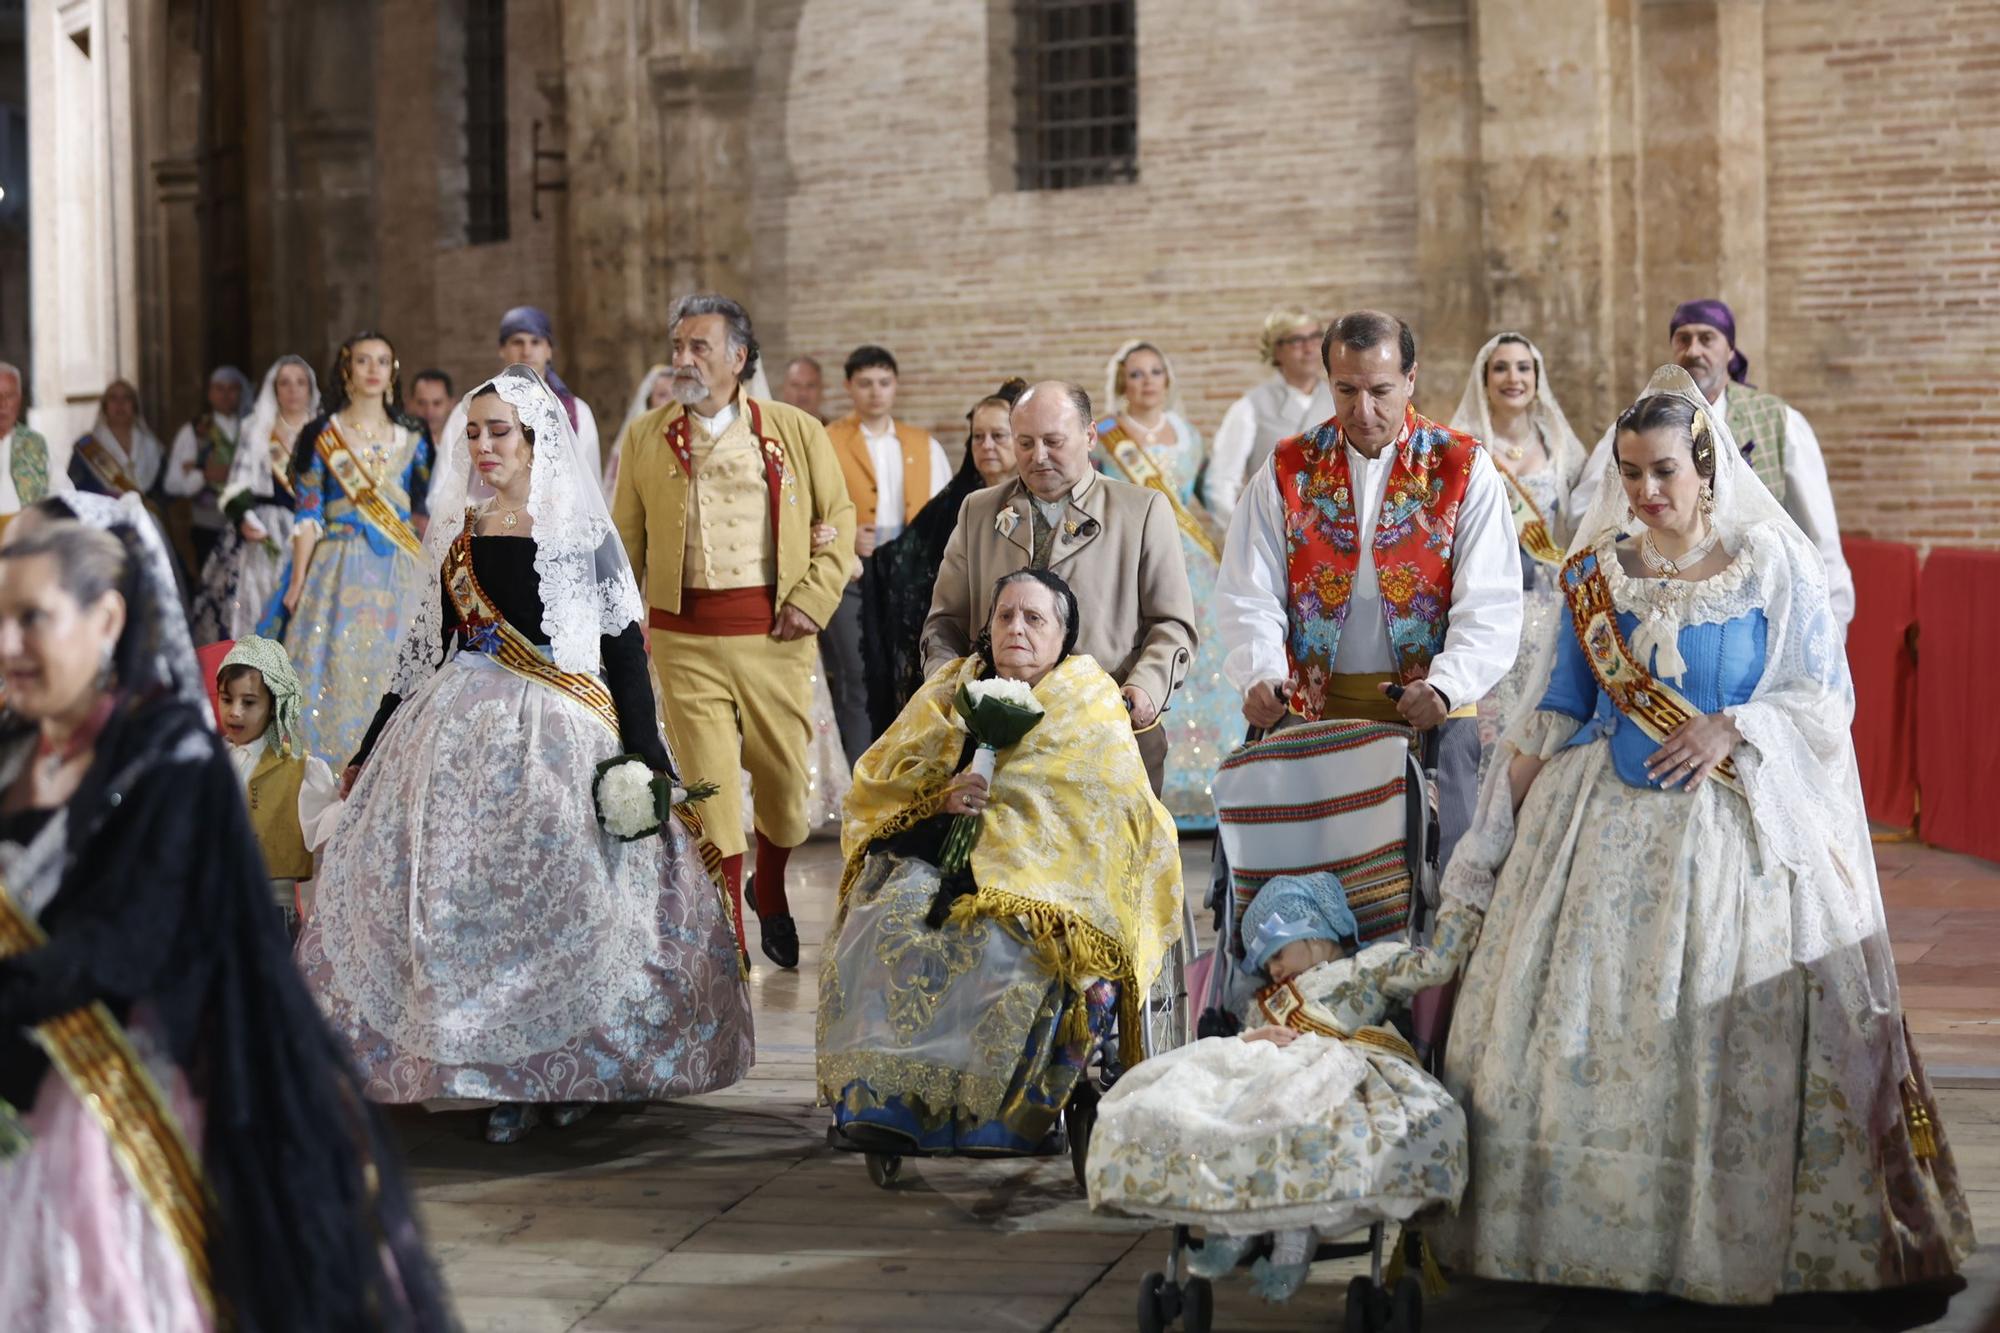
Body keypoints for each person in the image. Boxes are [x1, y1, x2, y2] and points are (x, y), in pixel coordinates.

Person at [1351, 365, 1975, 1303]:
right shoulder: (1597, 573)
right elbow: (1557, 708)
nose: (1644, 492)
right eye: (1631, 472)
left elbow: (1818, 698)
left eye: (1664, 473)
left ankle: (1732, 1241)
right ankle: (1572, 1240)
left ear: (1707, 470)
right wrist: (1492, 835)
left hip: (1736, 831)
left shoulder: (1774, 564)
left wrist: (1734, 724)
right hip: (1593, 830)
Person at [0, 492, 452, 1331]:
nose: (7, 645)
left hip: (118, 1109)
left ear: (106, 619)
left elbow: (128, 944)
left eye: (32, 618)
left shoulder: (168, 753)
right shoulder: (15, 747)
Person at [299, 365, 755, 1143]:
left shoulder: (582, 534)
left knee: (569, 901)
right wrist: (364, 752)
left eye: (498, 431)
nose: (482, 445)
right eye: (472, 432)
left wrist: (645, 758)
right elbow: (420, 659)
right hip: (454, 735)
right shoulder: (458, 533)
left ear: (536, 438)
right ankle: (493, 1076)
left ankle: (575, 1070)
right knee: (459, 908)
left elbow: (622, 652)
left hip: (560, 736)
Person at [820, 569, 1183, 1154]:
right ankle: (888, 1101)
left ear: (1065, 637)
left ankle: (1005, 1114)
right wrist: (942, 800)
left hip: (1049, 876)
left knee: (1005, 941)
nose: (1017, 628)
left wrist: (1010, 841)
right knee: (890, 914)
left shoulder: (1087, 701)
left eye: (1034, 618)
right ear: (987, 629)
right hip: (939, 852)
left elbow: (1110, 807)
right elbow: (886, 777)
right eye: (1005, 616)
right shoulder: (948, 692)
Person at [1214, 311, 1521, 867]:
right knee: (1295, 874)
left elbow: (1491, 602)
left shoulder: (1461, 468)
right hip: (1313, 706)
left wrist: (1448, 687)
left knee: (1448, 875)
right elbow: (1248, 589)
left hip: (1434, 706)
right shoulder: (1289, 467)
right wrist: (1259, 671)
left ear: (1410, 379)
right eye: (1346, 390)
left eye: (1381, 391)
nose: (1363, 411)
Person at [611, 293, 855, 971]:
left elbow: (839, 524)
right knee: (711, 787)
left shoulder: (795, 431)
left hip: (775, 634)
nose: (683, 359)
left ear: (739, 358)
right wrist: (619, 630)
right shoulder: (645, 435)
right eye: (678, 346)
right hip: (683, 637)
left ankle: (769, 885)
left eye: (700, 347)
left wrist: (812, 598)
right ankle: (730, 944)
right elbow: (625, 542)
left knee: (783, 786)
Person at [1085, 871, 1467, 1304]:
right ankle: (1233, 1223)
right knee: (1233, 1116)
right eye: (1267, 965)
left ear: (1317, 936)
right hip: (1268, 1067)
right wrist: (1252, 1038)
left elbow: (1433, 967)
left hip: (1338, 1063)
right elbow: (1246, 1039)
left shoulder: (1367, 968)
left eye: (1279, 953)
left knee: (1302, 1123)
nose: (1274, 969)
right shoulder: (1266, 1001)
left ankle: (1293, 1238)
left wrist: (1462, 905)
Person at [922, 381, 1196, 795]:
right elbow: (944, 623)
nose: (1039, 457)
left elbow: (1172, 623)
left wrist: (1144, 688)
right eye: (1026, 443)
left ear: (1089, 436)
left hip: (1109, 735)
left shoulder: (1142, 510)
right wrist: (950, 692)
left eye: (1053, 441)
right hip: (998, 740)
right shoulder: (978, 511)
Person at [1573, 298, 1854, 626]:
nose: (1693, 351)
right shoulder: (1640, 424)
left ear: (1731, 350)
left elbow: (1820, 538)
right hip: (1655, 601)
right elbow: (1584, 513)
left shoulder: (1779, 421)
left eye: (1707, 339)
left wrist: (1832, 624)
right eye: (1683, 339)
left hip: (1757, 606)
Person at [259, 330, 434, 763]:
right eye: (363, 360)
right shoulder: (323, 434)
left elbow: (419, 509)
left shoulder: (413, 435)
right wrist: (297, 580)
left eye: (382, 361)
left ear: (392, 371)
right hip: (336, 567)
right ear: (346, 370)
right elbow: (308, 513)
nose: (373, 369)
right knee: (332, 668)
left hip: (399, 567)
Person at [1094, 341, 1237, 831]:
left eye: (1156, 371)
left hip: (1191, 563)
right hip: (1133, 558)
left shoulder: (1190, 435)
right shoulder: (1105, 437)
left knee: (1203, 666)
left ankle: (1213, 789)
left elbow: (1201, 499)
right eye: (1136, 374)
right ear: (1121, 383)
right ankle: (1154, 786)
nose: (1147, 381)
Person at [1448, 332, 1588, 761]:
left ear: (1537, 376)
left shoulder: (1560, 444)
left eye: (1523, 367)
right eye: (1502, 367)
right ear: (1484, 378)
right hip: (1485, 596)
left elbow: (1581, 520)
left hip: (1546, 602)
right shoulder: (1461, 446)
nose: (1514, 378)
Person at [862, 378, 1023, 733]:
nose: (987, 446)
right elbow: (904, 559)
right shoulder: (957, 500)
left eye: (998, 436)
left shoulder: (1036, 501)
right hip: (960, 633)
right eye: (977, 437)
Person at [822, 345, 951, 763]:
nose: (875, 392)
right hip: (852, 573)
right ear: (848, 387)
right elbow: (801, 512)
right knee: (856, 676)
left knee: (909, 670)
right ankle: (858, 779)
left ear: (895, 386)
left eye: (883, 382)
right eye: (864, 383)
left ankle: (909, 773)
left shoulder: (924, 444)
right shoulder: (826, 441)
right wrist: (844, 539)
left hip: (909, 578)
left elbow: (943, 514)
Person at [215, 634, 339, 938]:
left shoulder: (298, 768)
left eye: (249, 702)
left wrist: (356, 802)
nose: (235, 712)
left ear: (274, 705)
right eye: (226, 699)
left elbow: (324, 828)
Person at [196, 354, 322, 644]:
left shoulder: (325, 430)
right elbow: (236, 485)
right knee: (260, 605)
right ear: (274, 388)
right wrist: (243, 517)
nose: (293, 390)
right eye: (285, 383)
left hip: (313, 529)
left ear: (310, 389)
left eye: (300, 383)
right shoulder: (256, 427)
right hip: (265, 531)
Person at [1206, 308, 1326, 528]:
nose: (1309, 348)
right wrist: (1248, 534)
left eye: (1315, 337)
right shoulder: (1249, 407)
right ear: (1276, 350)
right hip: (1273, 532)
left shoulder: (1341, 401)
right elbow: (1220, 485)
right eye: (1297, 340)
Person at [163, 365, 252, 576]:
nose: (226, 395)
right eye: (220, 388)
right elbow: (172, 483)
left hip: (248, 521)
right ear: (210, 393)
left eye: (232, 389)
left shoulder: (251, 427)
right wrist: (205, 474)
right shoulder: (195, 430)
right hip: (208, 524)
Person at [499, 305, 601, 475]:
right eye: (518, 342)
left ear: (549, 351)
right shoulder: (477, 406)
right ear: (502, 350)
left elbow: (589, 479)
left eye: (536, 342)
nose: (526, 351)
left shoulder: (578, 411)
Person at [69, 378, 165, 500]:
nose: (120, 404)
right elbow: (75, 491)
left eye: (126, 398)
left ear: (134, 406)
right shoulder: (88, 448)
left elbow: (163, 494)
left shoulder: (152, 445)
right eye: (113, 398)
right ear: (105, 407)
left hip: (147, 517)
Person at [0, 362, 60, 538]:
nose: (2, 404)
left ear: (19, 399)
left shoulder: (36, 445)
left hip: (28, 545)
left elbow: (62, 495)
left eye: (9, 396)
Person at [408, 368, 456, 450]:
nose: (429, 412)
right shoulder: (398, 444)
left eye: (437, 403)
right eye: (422, 403)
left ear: (451, 404)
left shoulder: (466, 448)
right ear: (411, 403)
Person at [778, 355, 826, 421]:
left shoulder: (832, 430)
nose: (803, 393)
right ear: (783, 388)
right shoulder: (769, 429)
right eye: (796, 385)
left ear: (821, 389)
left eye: (810, 385)